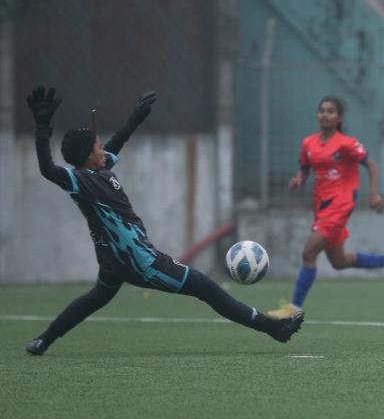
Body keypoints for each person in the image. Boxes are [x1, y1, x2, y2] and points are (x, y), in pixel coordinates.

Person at [23, 86, 303, 356]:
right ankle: (274, 328)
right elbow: (47, 169)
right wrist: (42, 130)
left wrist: (134, 118)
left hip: (114, 260)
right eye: (97, 145)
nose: (102, 148)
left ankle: (43, 340)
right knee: (206, 288)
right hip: (142, 263)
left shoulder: (98, 168)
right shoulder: (81, 180)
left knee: (96, 297)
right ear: (88, 155)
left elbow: (115, 143)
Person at [268, 96, 384, 319]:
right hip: (321, 206)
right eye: (322, 110)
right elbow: (304, 169)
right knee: (339, 262)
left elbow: (370, 164)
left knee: (308, 252)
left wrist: (373, 194)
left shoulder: (346, 143)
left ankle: (293, 309)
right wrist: (299, 179)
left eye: (331, 111)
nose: (325, 114)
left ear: (339, 117)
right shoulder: (308, 143)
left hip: (340, 204)